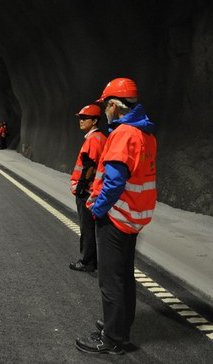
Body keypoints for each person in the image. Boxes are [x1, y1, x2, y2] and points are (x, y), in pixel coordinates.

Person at [76, 78, 157, 354]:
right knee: (124, 276)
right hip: (134, 216)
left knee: (110, 280)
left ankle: (112, 340)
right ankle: (119, 326)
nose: (104, 111)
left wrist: (97, 210)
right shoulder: (145, 133)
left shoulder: (123, 135)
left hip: (116, 217)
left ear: (113, 105)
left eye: (106, 106)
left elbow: (113, 183)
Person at [69, 104, 106, 272]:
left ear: (95, 121)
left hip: (88, 191)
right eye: (80, 118)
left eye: (84, 118)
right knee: (94, 227)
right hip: (96, 190)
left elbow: (89, 165)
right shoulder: (101, 138)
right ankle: (95, 260)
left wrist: (81, 188)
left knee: (87, 227)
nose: (81, 121)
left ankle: (86, 261)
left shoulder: (93, 139)